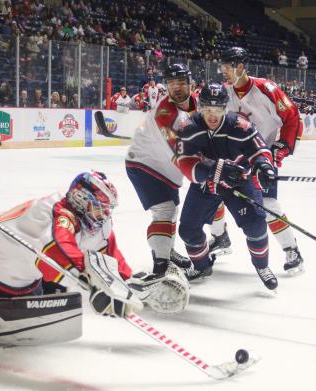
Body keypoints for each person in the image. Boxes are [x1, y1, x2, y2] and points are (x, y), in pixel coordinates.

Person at [0, 172, 188, 349]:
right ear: (82, 200)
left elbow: (108, 252)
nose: (104, 214)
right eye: (100, 207)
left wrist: (128, 283)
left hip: (10, 258)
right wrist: (91, 287)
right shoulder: (56, 215)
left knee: (50, 292)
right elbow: (54, 254)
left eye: (107, 209)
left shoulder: (89, 215)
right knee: (33, 296)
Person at [174, 83, 278, 290]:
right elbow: (184, 162)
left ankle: (262, 266)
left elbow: (259, 149)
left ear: (226, 108)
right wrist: (213, 170)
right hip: (206, 184)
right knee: (187, 229)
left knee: (256, 224)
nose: (213, 116)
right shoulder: (189, 128)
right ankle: (202, 266)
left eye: (218, 110)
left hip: (238, 182)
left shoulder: (240, 126)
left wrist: (263, 165)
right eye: (208, 110)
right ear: (200, 108)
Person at [218, 47, 304, 274]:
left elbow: (292, 117)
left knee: (267, 204)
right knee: (212, 192)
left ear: (240, 66)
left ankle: (292, 250)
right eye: (222, 67)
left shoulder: (266, 89)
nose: (223, 72)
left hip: (262, 156)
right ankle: (219, 238)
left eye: (227, 67)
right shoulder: (224, 93)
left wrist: (282, 147)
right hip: (236, 157)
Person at [125, 63, 197, 280]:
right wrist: (205, 169)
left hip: (166, 167)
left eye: (181, 83)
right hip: (145, 164)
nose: (176, 88)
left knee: (172, 209)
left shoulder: (197, 104)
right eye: (171, 83)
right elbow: (181, 152)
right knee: (164, 211)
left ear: (191, 84)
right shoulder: (165, 113)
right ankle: (161, 266)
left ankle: (167, 250)